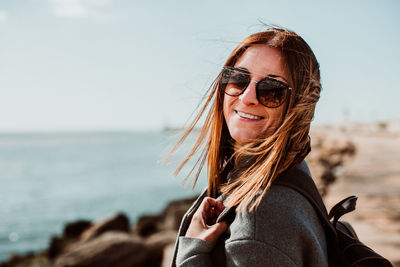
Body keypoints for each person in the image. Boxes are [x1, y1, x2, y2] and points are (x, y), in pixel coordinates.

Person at [168, 27, 326, 266]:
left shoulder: (258, 221)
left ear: (298, 107)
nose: (246, 97)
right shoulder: (293, 173)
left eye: (272, 90)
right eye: (238, 79)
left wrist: (192, 252)